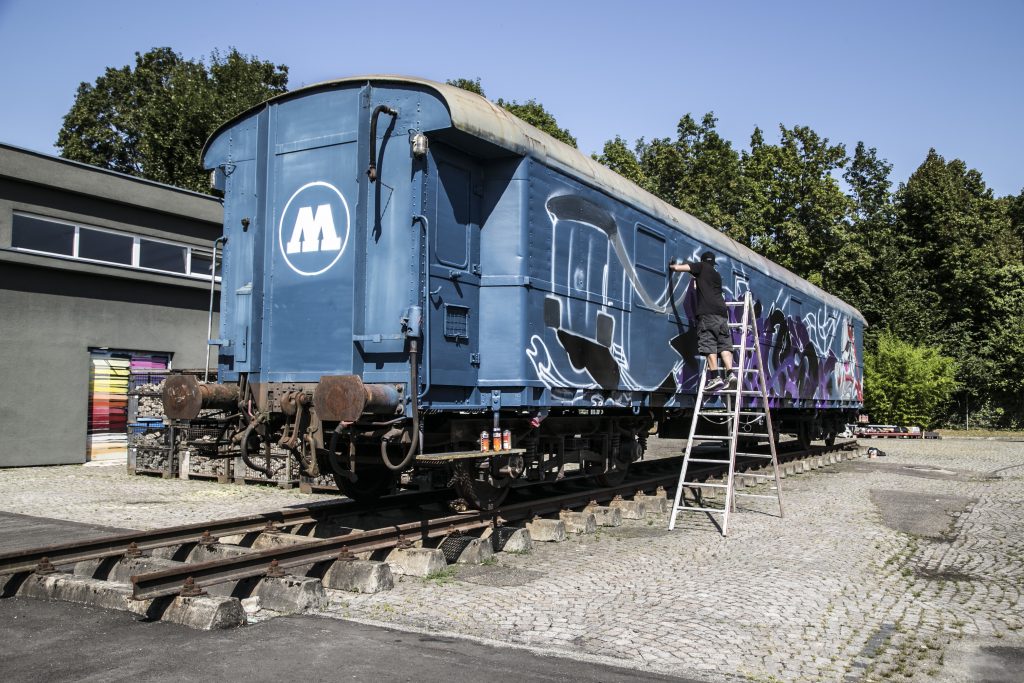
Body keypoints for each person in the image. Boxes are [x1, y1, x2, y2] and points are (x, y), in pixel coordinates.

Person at [669, 251, 736, 392]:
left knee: (709, 343)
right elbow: (702, 287)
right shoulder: (716, 275)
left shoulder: (701, 266)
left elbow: (684, 268)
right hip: (722, 315)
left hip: (708, 313)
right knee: (724, 345)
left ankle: (715, 377)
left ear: (703, 261)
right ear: (713, 263)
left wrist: (673, 266)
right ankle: (730, 374)